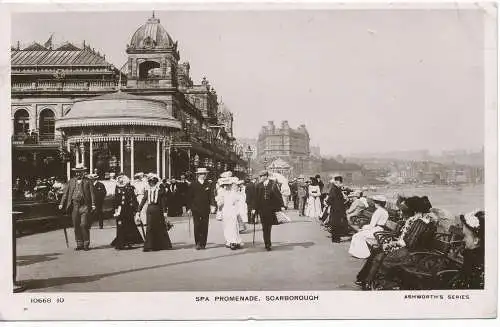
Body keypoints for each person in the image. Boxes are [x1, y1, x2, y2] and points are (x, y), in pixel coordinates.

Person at [355, 196, 436, 289]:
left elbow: (410, 243)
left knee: (381, 257)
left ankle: (371, 282)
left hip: (412, 253)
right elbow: (407, 239)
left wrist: (392, 244)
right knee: (378, 253)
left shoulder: (420, 222)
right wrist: (393, 243)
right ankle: (367, 280)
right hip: (408, 249)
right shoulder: (418, 221)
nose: (401, 212)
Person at [58, 163, 95, 251]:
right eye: (77, 172)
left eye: (80, 172)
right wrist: (61, 203)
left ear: (83, 172)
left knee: (84, 224)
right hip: (74, 206)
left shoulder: (88, 181)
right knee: (76, 225)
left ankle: (86, 243)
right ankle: (79, 243)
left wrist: (93, 204)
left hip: (84, 206)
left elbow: (92, 194)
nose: (78, 173)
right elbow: (65, 193)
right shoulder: (71, 181)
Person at [445, 210, 484, 289]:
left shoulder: (473, 259)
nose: (463, 240)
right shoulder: (474, 255)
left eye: (465, 236)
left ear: (476, 240)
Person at [137, 174, 172, 251]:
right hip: (149, 210)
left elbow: (163, 202)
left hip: (158, 210)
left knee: (159, 227)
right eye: (150, 182)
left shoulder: (160, 191)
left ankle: (162, 245)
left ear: (156, 183)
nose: (151, 184)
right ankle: (149, 246)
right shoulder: (147, 191)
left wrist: (165, 212)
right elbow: (143, 201)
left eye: (153, 182)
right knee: (150, 228)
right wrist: (138, 211)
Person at [252, 170, 285, 251]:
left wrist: (282, 205)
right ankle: (267, 243)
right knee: (264, 227)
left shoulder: (273, 184)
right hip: (262, 209)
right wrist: (254, 208)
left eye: (262, 176)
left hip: (270, 209)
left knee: (268, 227)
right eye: (260, 176)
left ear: (266, 176)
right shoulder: (258, 185)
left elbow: (278, 195)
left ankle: (268, 243)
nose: (261, 178)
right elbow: (255, 198)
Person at [111, 175, 144, 249]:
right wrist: (115, 210)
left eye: (122, 181)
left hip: (128, 211)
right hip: (120, 211)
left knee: (127, 227)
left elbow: (133, 200)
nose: (121, 182)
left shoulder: (130, 189)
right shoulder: (117, 189)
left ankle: (127, 243)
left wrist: (136, 210)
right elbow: (115, 201)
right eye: (120, 181)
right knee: (120, 226)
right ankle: (120, 243)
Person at [187, 168, 216, 250]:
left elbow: (211, 196)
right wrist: (189, 208)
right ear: (198, 175)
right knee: (196, 225)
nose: (203, 175)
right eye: (202, 174)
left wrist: (212, 205)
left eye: (204, 173)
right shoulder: (193, 184)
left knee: (204, 226)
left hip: (205, 208)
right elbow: (189, 197)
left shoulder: (208, 184)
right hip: (195, 208)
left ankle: (203, 243)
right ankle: (198, 243)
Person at [216, 177, 244, 249]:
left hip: (232, 211)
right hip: (225, 211)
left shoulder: (234, 193)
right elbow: (219, 203)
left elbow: (239, 200)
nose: (227, 186)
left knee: (234, 226)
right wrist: (220, 202)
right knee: (226, 227)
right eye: (226, 185)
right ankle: (229, 241)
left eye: (229, 185)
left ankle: (234, 241)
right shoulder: (222, 192)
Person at [327, 174, 349, 243]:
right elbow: (331, 199)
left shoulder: (335, 188)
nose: (341, 184)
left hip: (336, 209)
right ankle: (336, 239)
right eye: (341, 183)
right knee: (336, 224)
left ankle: (336, 238)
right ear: (337, 182)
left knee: (336, 224)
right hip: (336, 209)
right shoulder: (334, 189)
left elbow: (331, 200)